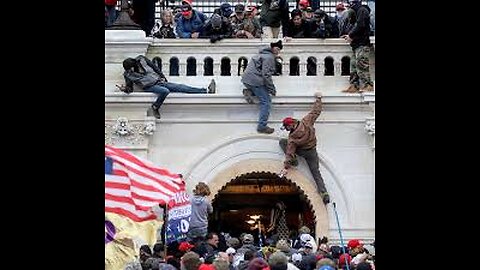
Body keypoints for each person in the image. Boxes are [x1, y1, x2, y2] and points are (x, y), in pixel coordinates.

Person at [118, 55, 216, 119]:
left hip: (159, 81)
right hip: (149, 86)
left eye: (131, 68)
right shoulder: (128, 74)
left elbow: (154, 67)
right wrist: (124, 89)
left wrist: (163, 77)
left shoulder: (142, 59)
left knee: (180, 87)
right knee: (164, 91)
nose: (131, 70)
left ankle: (205, 90)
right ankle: (156, 106)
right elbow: (129, 88)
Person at [279, 92, 330, 204]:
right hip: (312, 151)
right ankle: (324, 193)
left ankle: (295, 162)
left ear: (291, 125)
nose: (287, 129)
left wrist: (286, 166)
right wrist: (319, 99)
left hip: (302, 151)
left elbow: (289, 152)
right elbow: (316, 112)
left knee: (283, 142)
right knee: (315, 172)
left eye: (286, 127)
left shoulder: (292, 137)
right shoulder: (306, 122)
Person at [241, 40, 283, 134]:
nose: (278, 51)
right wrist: (272, 89)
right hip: (255, 80)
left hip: (247, 79)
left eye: (279, 49)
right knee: (266, 101)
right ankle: (262, 126)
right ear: (272, 48)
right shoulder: (269, 57)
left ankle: (249, 91)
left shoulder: (262, 54)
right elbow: (266, 75)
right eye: (277, 48)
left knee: (261, 91)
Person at [341, 0, 374, 93]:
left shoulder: (362, 10)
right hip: (356, 44)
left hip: (362, 43)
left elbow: (360, 25)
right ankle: (354, 85)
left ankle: (368, 85)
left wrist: (350, 35)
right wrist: (349, 35)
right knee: (353, 65)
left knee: (361, 64)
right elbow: (354, 26)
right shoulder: (355, 12)